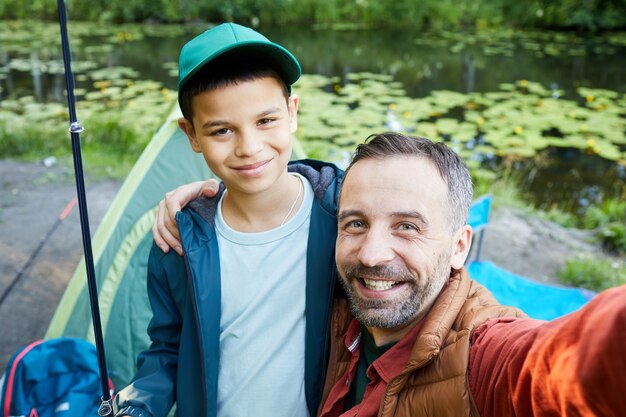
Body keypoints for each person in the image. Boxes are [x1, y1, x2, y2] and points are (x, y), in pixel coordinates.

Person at [155, 132, 626, 416]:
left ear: (460, 246)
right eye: (355, 223)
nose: (373, 255)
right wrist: (221, 195)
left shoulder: (482, 354)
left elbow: (567, 368)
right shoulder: (335, 305)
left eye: (407, 227)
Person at [113, 22, 343, 417]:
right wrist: (137, 406)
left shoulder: (346, 216)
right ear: (192, 135)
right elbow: (167, 349)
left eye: (265, 121)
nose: (249, 148)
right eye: (222, 131)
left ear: (292, 112)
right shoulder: (179, 242)